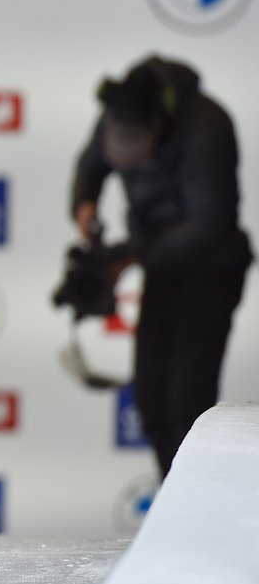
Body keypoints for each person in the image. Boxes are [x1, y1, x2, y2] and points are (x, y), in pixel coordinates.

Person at [69, 55, 252, 478]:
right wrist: (84, 205)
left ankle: (197, 509)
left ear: (161, 121)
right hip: (161, 268)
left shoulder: (208, 125)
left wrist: (131, 257)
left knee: (187, 402)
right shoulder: (118, 108)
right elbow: (90, 166)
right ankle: (175, 498)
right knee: (151, 400)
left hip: (211, 271)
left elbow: (209, 225)